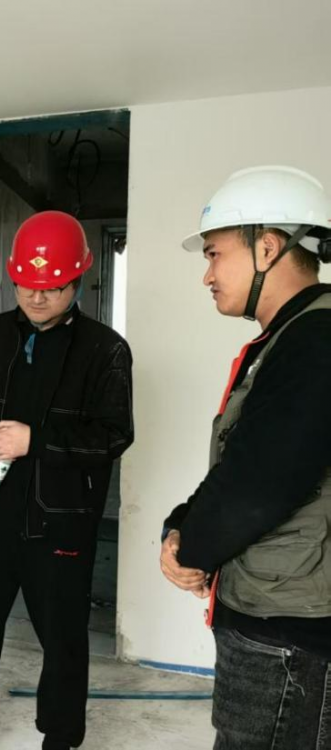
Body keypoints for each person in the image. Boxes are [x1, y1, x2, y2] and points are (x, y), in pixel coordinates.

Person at [0, 211, 134, 750]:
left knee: (63, 641)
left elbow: (113, 435)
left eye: (52, 287)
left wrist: (36, 441)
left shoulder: (105, 350)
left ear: (80, 279)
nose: (37, 297)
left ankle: (60, 741)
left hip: (61, 522)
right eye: (27, 285)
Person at [159, 166, 331, 750]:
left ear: (267, 248)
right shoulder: (292, 336)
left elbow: (262, 485)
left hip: (288, 633)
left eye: (215, 254)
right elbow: (245, 461)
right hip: (276, 613)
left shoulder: (314, 340)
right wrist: (182, 523)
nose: (207, 274)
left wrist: (189, 550)